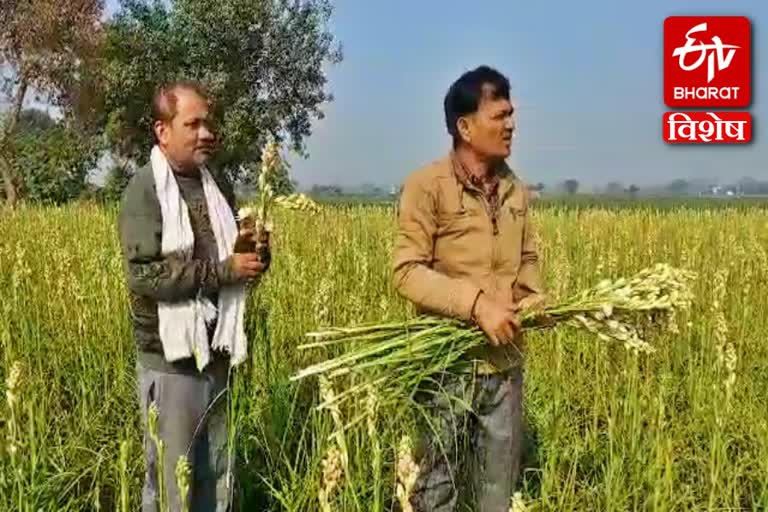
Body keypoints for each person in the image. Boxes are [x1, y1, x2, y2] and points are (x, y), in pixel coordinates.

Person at [392, 65, 546, 511]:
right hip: (446, 368)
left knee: (498, 491)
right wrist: (477, 306)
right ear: (465, 126)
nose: (511, 124)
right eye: (500, 115)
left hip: (505, 366)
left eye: (511, 114)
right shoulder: (427, 186)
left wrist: (530, 295)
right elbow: (406, 271)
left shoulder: (516, 190)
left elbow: (528, 257)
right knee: (436, 489)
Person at [118, 80, 268, 511]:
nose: (207, 132)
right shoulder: (145, 191)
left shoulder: (215, 185)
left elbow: (231, 262)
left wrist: (253, 257)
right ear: (162, 131)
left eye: (209, 122)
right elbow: (145, 275)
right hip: (172, 364)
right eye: (194, 123)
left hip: (216, 355)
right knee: (173, 486)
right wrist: (224, 271)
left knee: (217, 477)